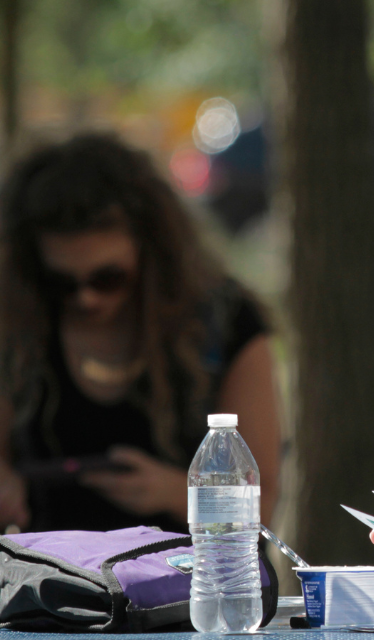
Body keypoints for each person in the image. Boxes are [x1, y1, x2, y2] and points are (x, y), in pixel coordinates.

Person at [0, 133, 281, 534]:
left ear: (151, 253)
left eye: (108, 278)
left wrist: (173, 492)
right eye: (61, 282)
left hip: (189, 586)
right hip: (52, 585)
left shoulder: (226, 323)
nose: (86, 299)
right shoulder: (16, 327)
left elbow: (265, 505)